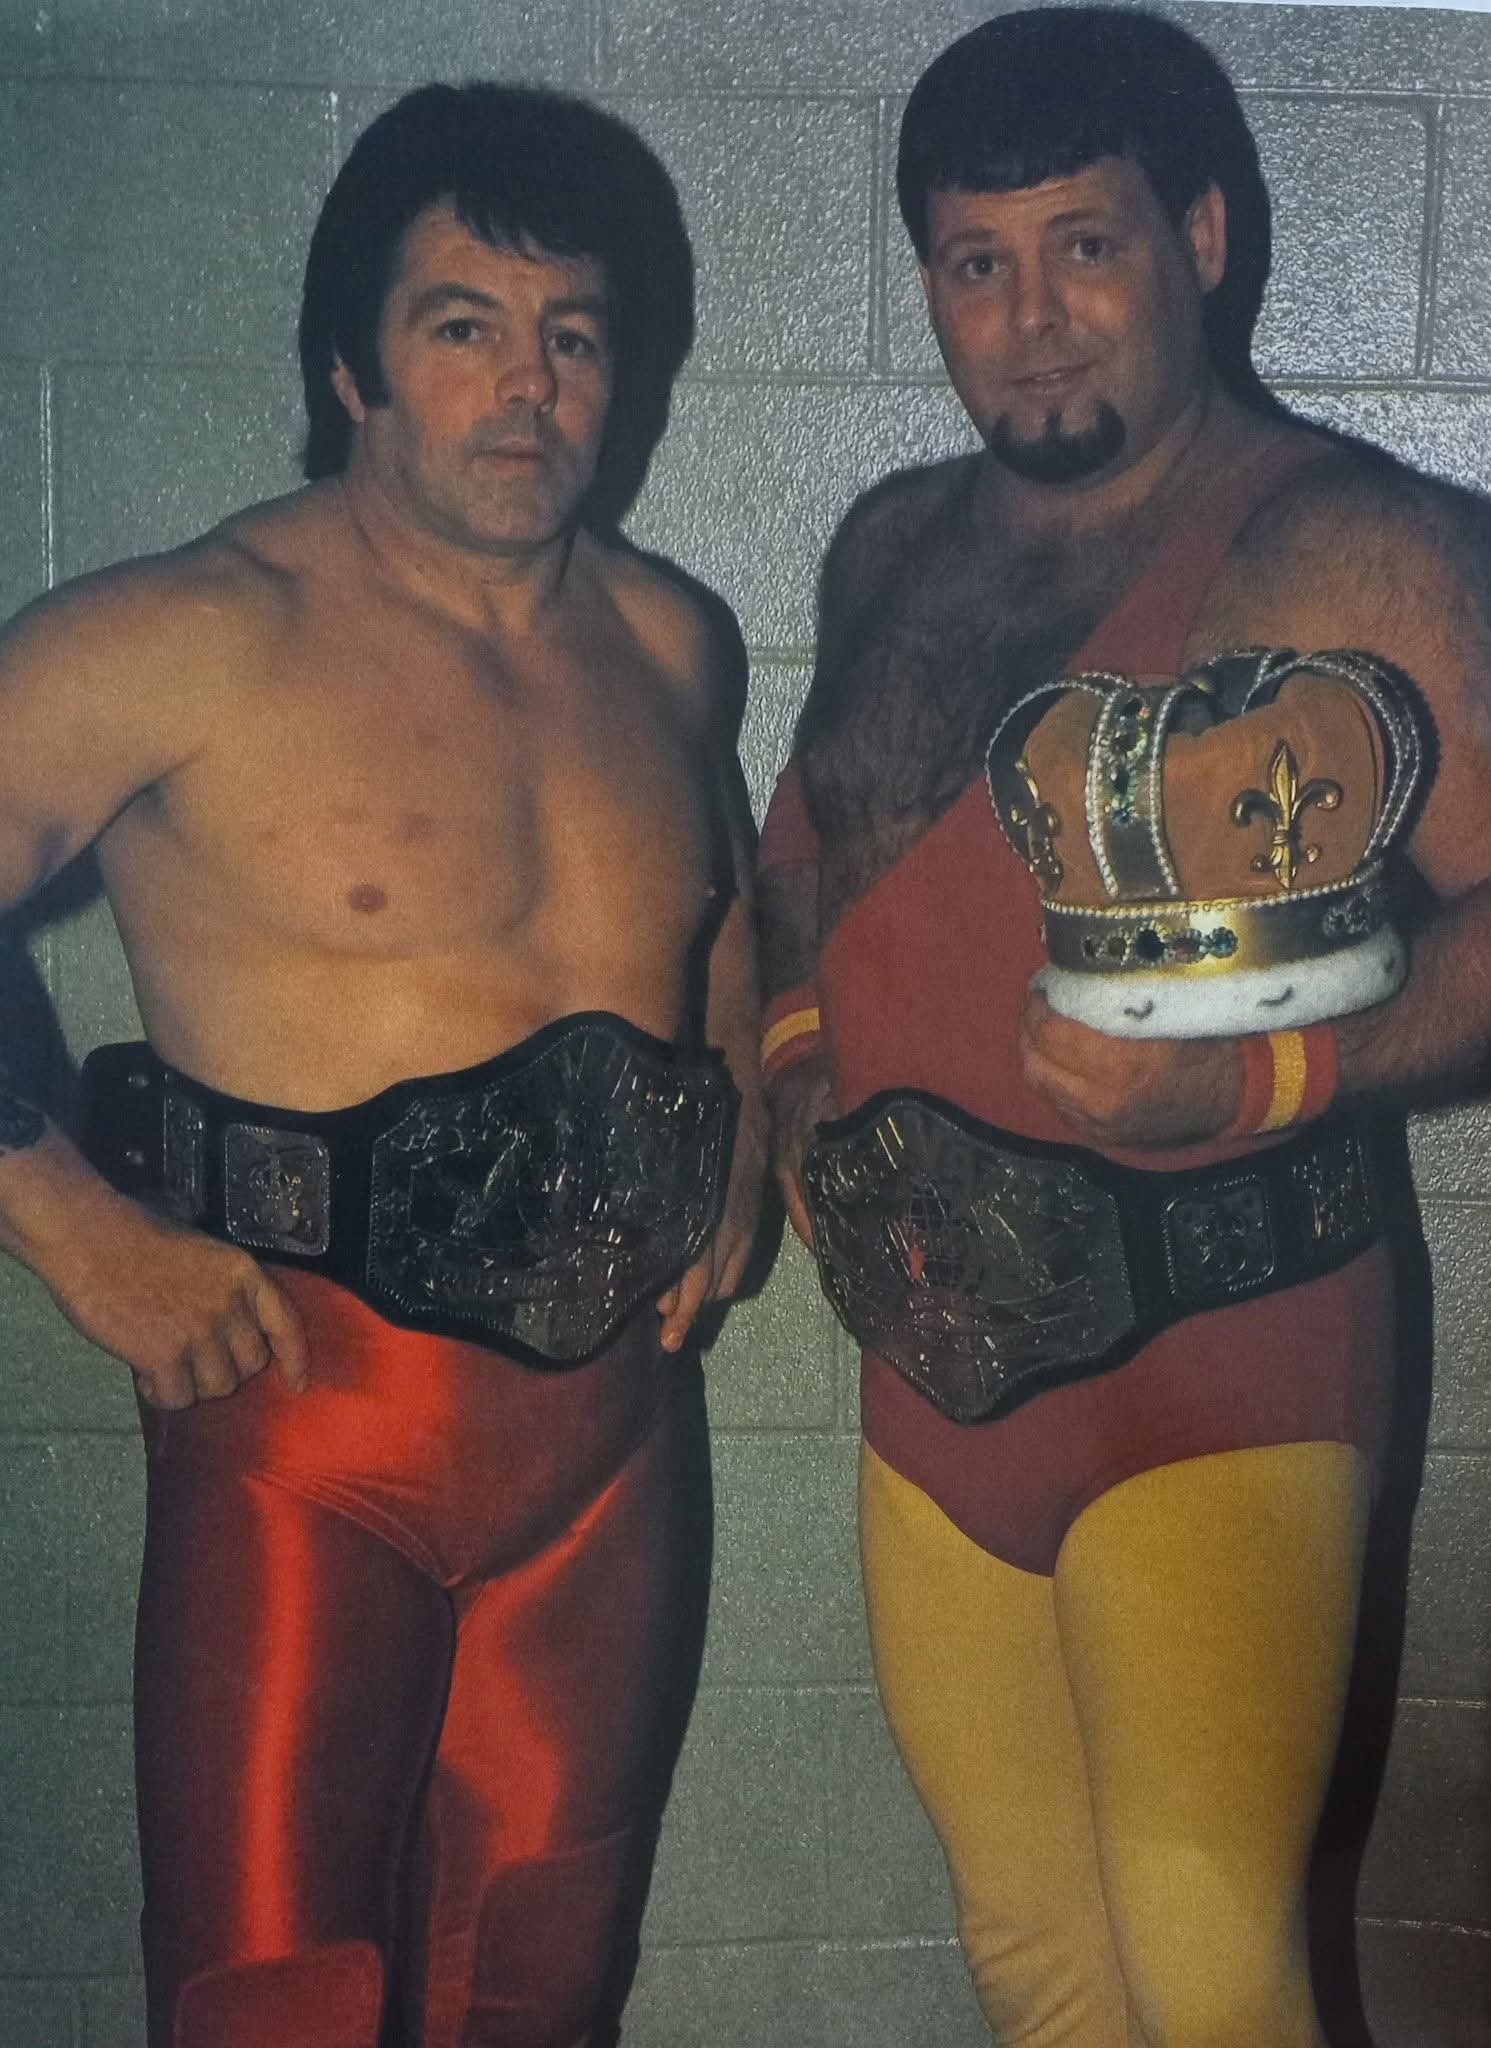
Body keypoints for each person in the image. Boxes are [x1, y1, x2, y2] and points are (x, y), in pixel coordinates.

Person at [757, 11, 1491, 2046]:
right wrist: (796, 1057)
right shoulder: (890, 543)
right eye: (975, 262)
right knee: (1038, 1964)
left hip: (1221, 1358)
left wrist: (1267, 1074)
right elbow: (808, 843)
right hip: (934, 1375)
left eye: (1083, 247)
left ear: (1200, 237)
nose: (1030, 322)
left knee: (1207, 1977)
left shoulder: (1356, 545)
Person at [0, 83, 762, 2048]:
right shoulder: (180, 636)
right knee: (277, 2006)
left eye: (572, 335)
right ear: (350, 365)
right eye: (462, 326)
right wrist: (67, 1224)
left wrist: (743, 1132)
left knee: (540, 1994)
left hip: (610, 1451)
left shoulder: (672, 643)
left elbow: (721, 913)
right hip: (301, 1432)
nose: (528, 385)